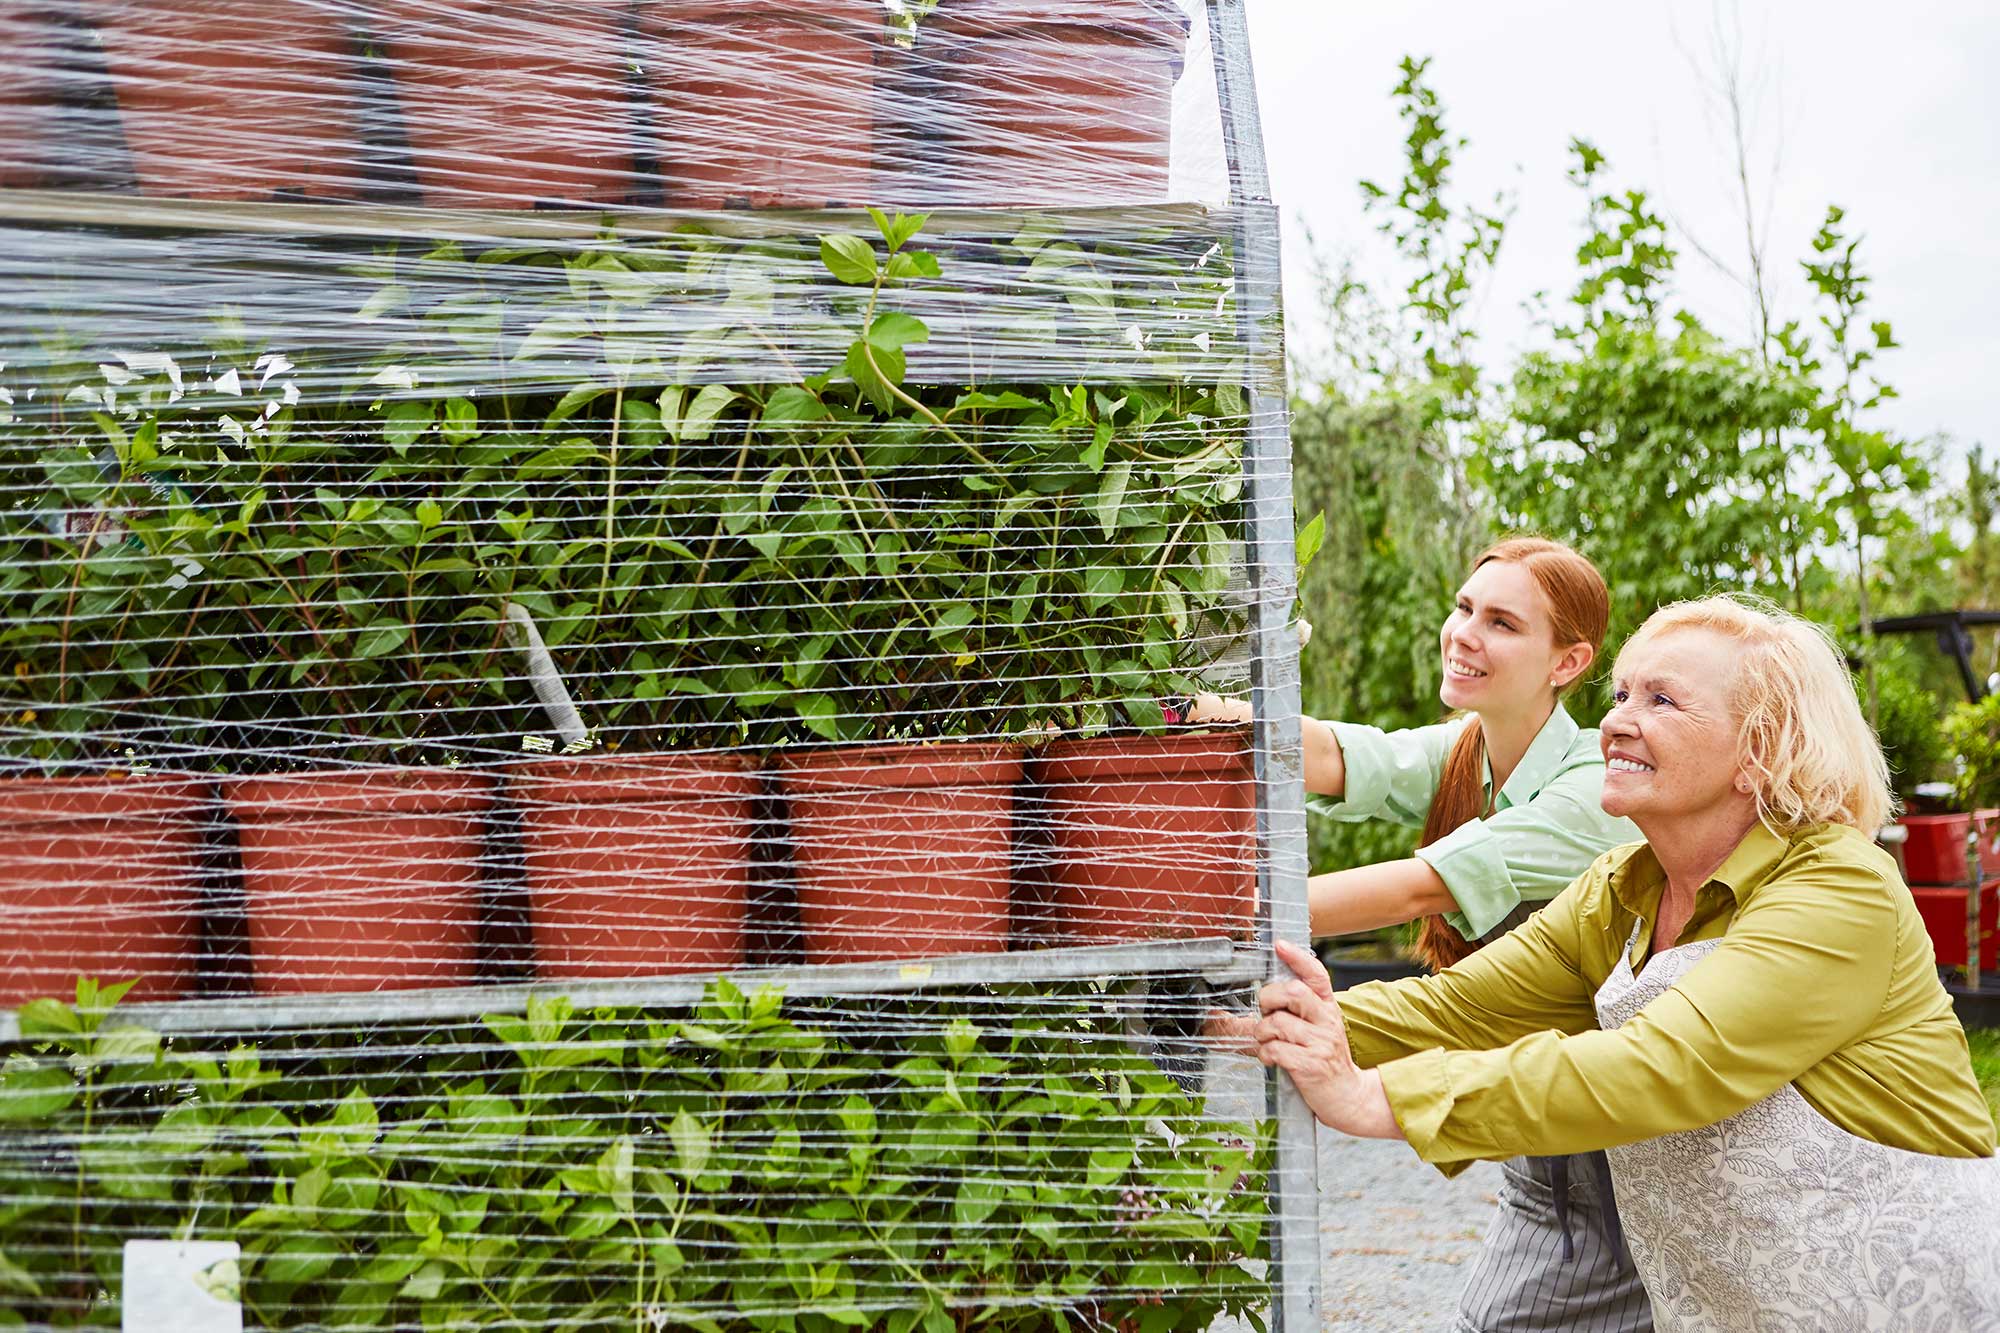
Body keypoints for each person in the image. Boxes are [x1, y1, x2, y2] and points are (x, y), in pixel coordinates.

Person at [1249, 595, 2000, 1331]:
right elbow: (1455, 1012)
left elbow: (1661, 1067)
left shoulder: (1840, 887)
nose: (1614, 721)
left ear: (1760, 752)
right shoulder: (1621, 889)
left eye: (1662, 700)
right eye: (1620, 694)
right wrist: (1257, 1020)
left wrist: (1374, 1097)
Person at [1198, 535, 1653, 1331]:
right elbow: (1346, 755)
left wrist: (1222, 911)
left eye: (1503, 622)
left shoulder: (1591, 790)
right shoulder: (1468, 754)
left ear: (1569, 661)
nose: (1465, 633)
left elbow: (1422, 884)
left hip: (1620, 1152)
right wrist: (1193, 713)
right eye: (1463, 607)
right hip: (1547, 1136)